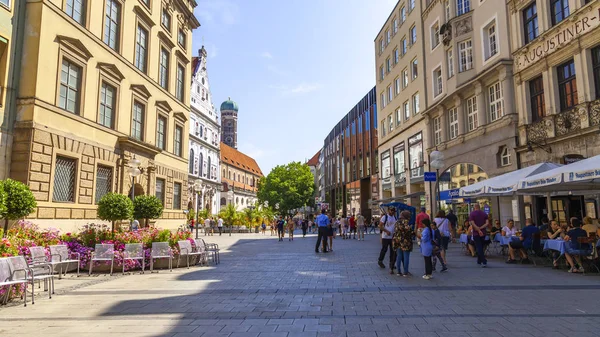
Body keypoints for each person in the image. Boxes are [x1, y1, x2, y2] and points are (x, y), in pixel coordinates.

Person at [393, 210, 414, 277]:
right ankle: (405, 272)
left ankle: (398, 272)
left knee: (399, 256)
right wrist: (413, 231)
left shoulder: (397, 222)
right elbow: (408, 231)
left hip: (398, 241)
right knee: (406, 257)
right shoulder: (405, 222)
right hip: (405, 242)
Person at [378, 207, 397, 273]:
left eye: (394, 211)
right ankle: (380, 261)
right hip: (385, 237)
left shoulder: (395, 217)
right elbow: (380, 226)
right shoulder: (385, 217)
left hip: (392, 237)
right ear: (388, 210)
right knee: (384, 249)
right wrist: (386, 231)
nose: (392, 212)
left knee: (393, 250)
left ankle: (391, 263)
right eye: (391, 210)